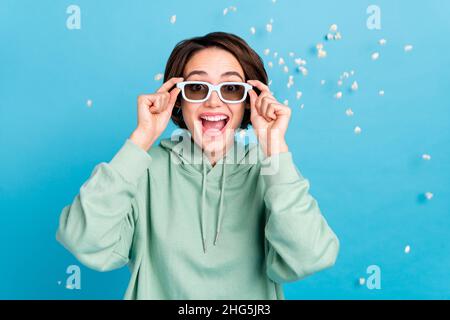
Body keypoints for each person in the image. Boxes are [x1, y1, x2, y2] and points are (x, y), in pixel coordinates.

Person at [56, 31, 339, 299]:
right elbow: (83, 240)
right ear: (178, 100)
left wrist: (274, 146)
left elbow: (310, 256)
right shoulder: (142, 168)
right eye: (196, 87)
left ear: (248, 103)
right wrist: (141, 139)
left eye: (230, 88)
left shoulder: (270, 170)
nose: (213, 101)